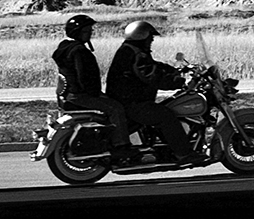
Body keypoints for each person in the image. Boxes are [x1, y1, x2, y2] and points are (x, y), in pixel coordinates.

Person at [105, 18, 190, 160]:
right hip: (133, 103)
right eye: (150, 37)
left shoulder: (131, 50)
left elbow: (153, 66)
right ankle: (184, 154)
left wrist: (174, 70)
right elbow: (152, 76)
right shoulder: (137, 54)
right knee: (166, 116)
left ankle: (164, 149)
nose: (151, 40)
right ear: (141, 36)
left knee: (164, 109)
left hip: (128, 100)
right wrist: (180, 82)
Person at [51, 14, 131, 148]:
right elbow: (84, 77)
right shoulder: (79, 51)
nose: (90, 33)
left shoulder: (65, 48)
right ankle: (121, 145)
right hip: (80, 95)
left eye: (90, 31)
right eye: (87, 31)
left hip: (70, 95)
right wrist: (96, 93)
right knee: (116, 108)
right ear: (77, 32)